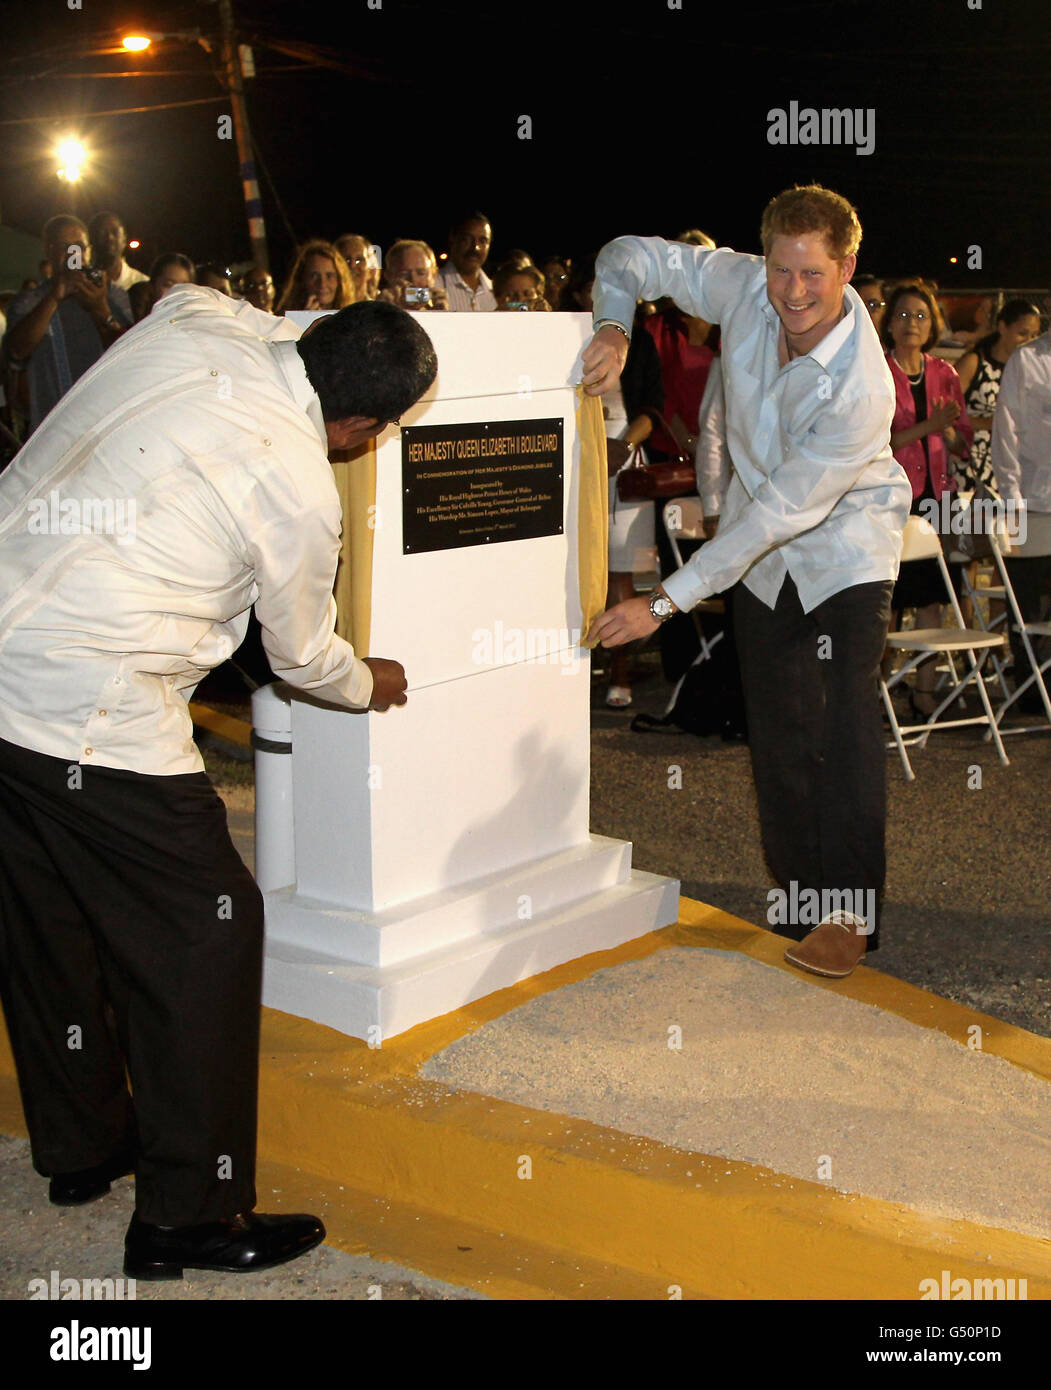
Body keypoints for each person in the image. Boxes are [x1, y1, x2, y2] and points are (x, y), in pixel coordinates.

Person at [0, 287, 437, 1278]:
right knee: (209, 928)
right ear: (361, 428)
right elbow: (299, 655)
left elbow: (203, 294)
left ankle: (82, 1148)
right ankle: (190, 1214)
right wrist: (369, 681)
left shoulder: (198, 318)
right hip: (86, 709)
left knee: (48, 910)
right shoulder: (296, 482)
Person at [583, 184, 911, 980]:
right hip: (757, 556)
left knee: (839, 721)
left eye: (812, 275)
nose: (792, 294)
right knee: (777, 732)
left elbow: (779, 515)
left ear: (847, 268)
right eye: (779, 272)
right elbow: (626, 254)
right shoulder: (739, 284)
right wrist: (614, 327)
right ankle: (804, 896)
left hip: (843, 548)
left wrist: (662, 601)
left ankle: (849, 914)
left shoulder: (863, 388)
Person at [567, 255, 663, 706]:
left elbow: (653, 407)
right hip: (574, 456)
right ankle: (571, 666)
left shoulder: (640, 341)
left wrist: (623, 445)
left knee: (619, 567)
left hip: (624, 457)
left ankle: (619, 675)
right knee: (572, 560)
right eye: (595, 289)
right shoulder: (561, 336)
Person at [882, 280, 972, 716]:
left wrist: (949, 430)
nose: (910, 323)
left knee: (934, 597)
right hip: (895, 497)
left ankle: (924, 694)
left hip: (941, 498)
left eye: (919, 315)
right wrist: (931, 424)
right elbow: (877, 442)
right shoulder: (877, 370)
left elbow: (963, 444)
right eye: (901, 314)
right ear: (888, 322)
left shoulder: (945, 373)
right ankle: (875, 692)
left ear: (933, 322)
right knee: (889, 599)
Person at [2, 215, 132, 435]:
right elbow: (15, 352)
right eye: (65, 247)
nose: (74, 254)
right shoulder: (30, 300)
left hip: (106, 425)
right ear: (48, 251)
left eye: (80, 247)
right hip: (52, 427)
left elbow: (130, 353)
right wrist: (55, 296)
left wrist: (101, 309)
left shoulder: (113, 295)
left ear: (89, 250)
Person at [990, 323, 1051, 713]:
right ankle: (1030, 689)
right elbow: (1005, 432)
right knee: (1027, 603)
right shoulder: (1026, 359)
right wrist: (1011, 500)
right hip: (1032, 502)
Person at [954, 298, 1041, 498]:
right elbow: (942, 415)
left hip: (1010, 470)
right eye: (1022, 333)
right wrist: (990, 423)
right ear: (1002, 327)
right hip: (970, 466)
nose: (1029, 341)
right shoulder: (974, 363)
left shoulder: (1029, 374)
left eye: (1034, 335)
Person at [438, 212, 497, 311]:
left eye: (482, 241)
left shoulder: (495, 293)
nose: (475, 247)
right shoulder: (435, 286)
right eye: (467, 239)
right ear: (452, 238)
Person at [277, 239, 356, 313]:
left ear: (340, 280)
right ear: (302, 279)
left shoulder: (354, 317)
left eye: (329, 276)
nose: (322, 284)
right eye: (314, 276)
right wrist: (304, 319)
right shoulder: (285, 321)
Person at [379, 240, 449, 311]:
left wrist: (443, 316)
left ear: (434, 275)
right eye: (404, 274)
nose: (414, 281)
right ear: (388, 276)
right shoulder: (379, 307)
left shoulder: (438, 309)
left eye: (421, 273)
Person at [87, 211, 148, 293]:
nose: (109, 237)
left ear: (124, 239)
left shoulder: (141, 282)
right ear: (92, 239)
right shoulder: (83, 283)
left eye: (115, 232)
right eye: (102, 233)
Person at [334, 234, 373, 303]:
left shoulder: (378, 310)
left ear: (370, 270)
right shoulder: (323, 310)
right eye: (347, 260)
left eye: (359, 260)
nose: (352, 265)